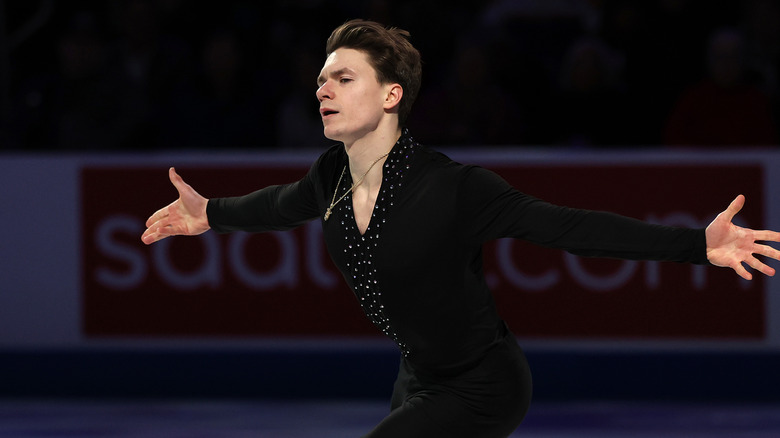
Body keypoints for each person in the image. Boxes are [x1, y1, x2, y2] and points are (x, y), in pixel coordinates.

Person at [141, 19, 780, 438]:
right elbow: (279, 205)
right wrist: (209, 215)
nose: (323, 90)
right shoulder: (328, 176)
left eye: (343, 77)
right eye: (320, 80)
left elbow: (570, 228)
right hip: (417, 376)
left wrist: (697, 244)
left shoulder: (456, 187)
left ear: (391, 96)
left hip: (484, 384)